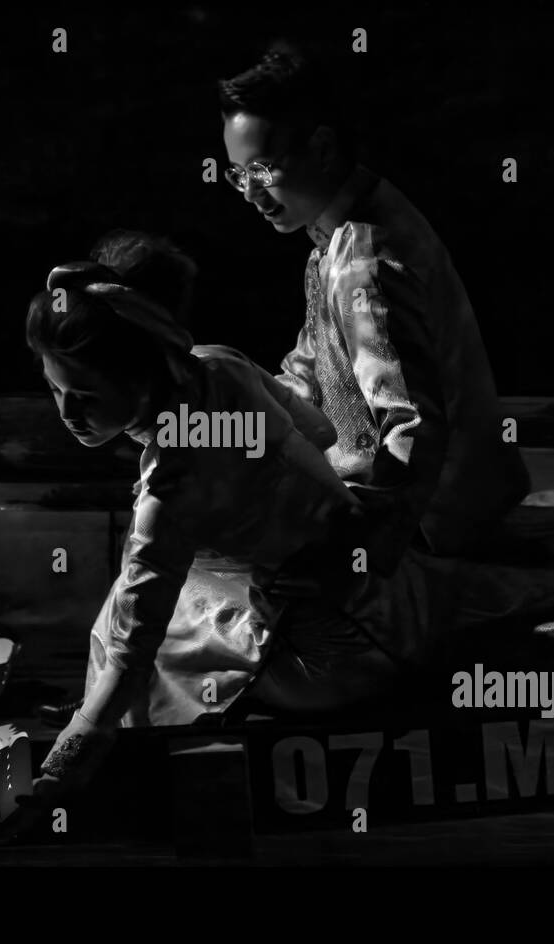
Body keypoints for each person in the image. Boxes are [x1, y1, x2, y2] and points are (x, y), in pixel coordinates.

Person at [23, 242, 456, 800]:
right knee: (162, 602)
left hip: (331, 652)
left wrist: (57, 776)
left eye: (83, 394)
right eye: (54, 388)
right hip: (385, 589)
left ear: (140, 378)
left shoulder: (173, 488)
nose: (65, 413)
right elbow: (321, 433)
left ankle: (122, 752)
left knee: (124, 631)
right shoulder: (219, 363)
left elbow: (131, 648)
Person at [218, 40, 532, 577]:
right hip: (398, 507)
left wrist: (365, 553)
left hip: (424, 532)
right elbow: (308, 371)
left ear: (321, 147)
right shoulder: (340, 231)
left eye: (263, 170)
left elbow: (412, 428)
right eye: (237, 174)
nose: (250, 193)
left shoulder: (365, 260)